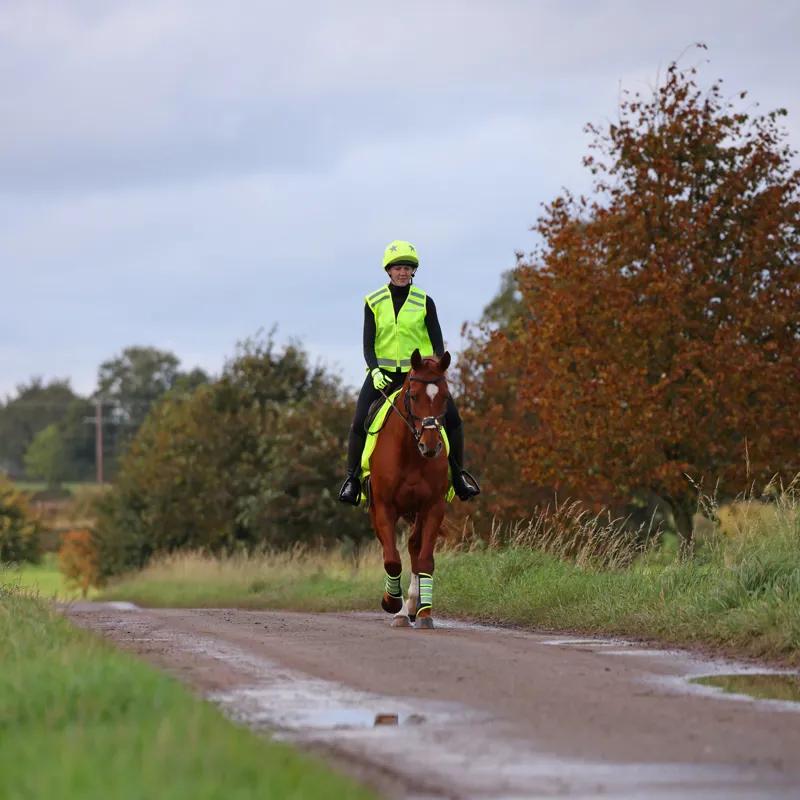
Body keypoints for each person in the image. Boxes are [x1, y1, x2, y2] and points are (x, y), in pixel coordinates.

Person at [338, 239, 481, 506]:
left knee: (453, 417)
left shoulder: (425, 301)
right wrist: (375, 370)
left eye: (407, 268)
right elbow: (368, 344)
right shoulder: (373, 301)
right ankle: (353, 480)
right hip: (383, 376)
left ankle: (459, 476)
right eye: (397, 268)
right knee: (359, 421)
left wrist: (435, 368)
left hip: (419, 376)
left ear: (413, 271)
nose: (402, 272)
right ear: (388, 271)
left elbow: (437, 343)